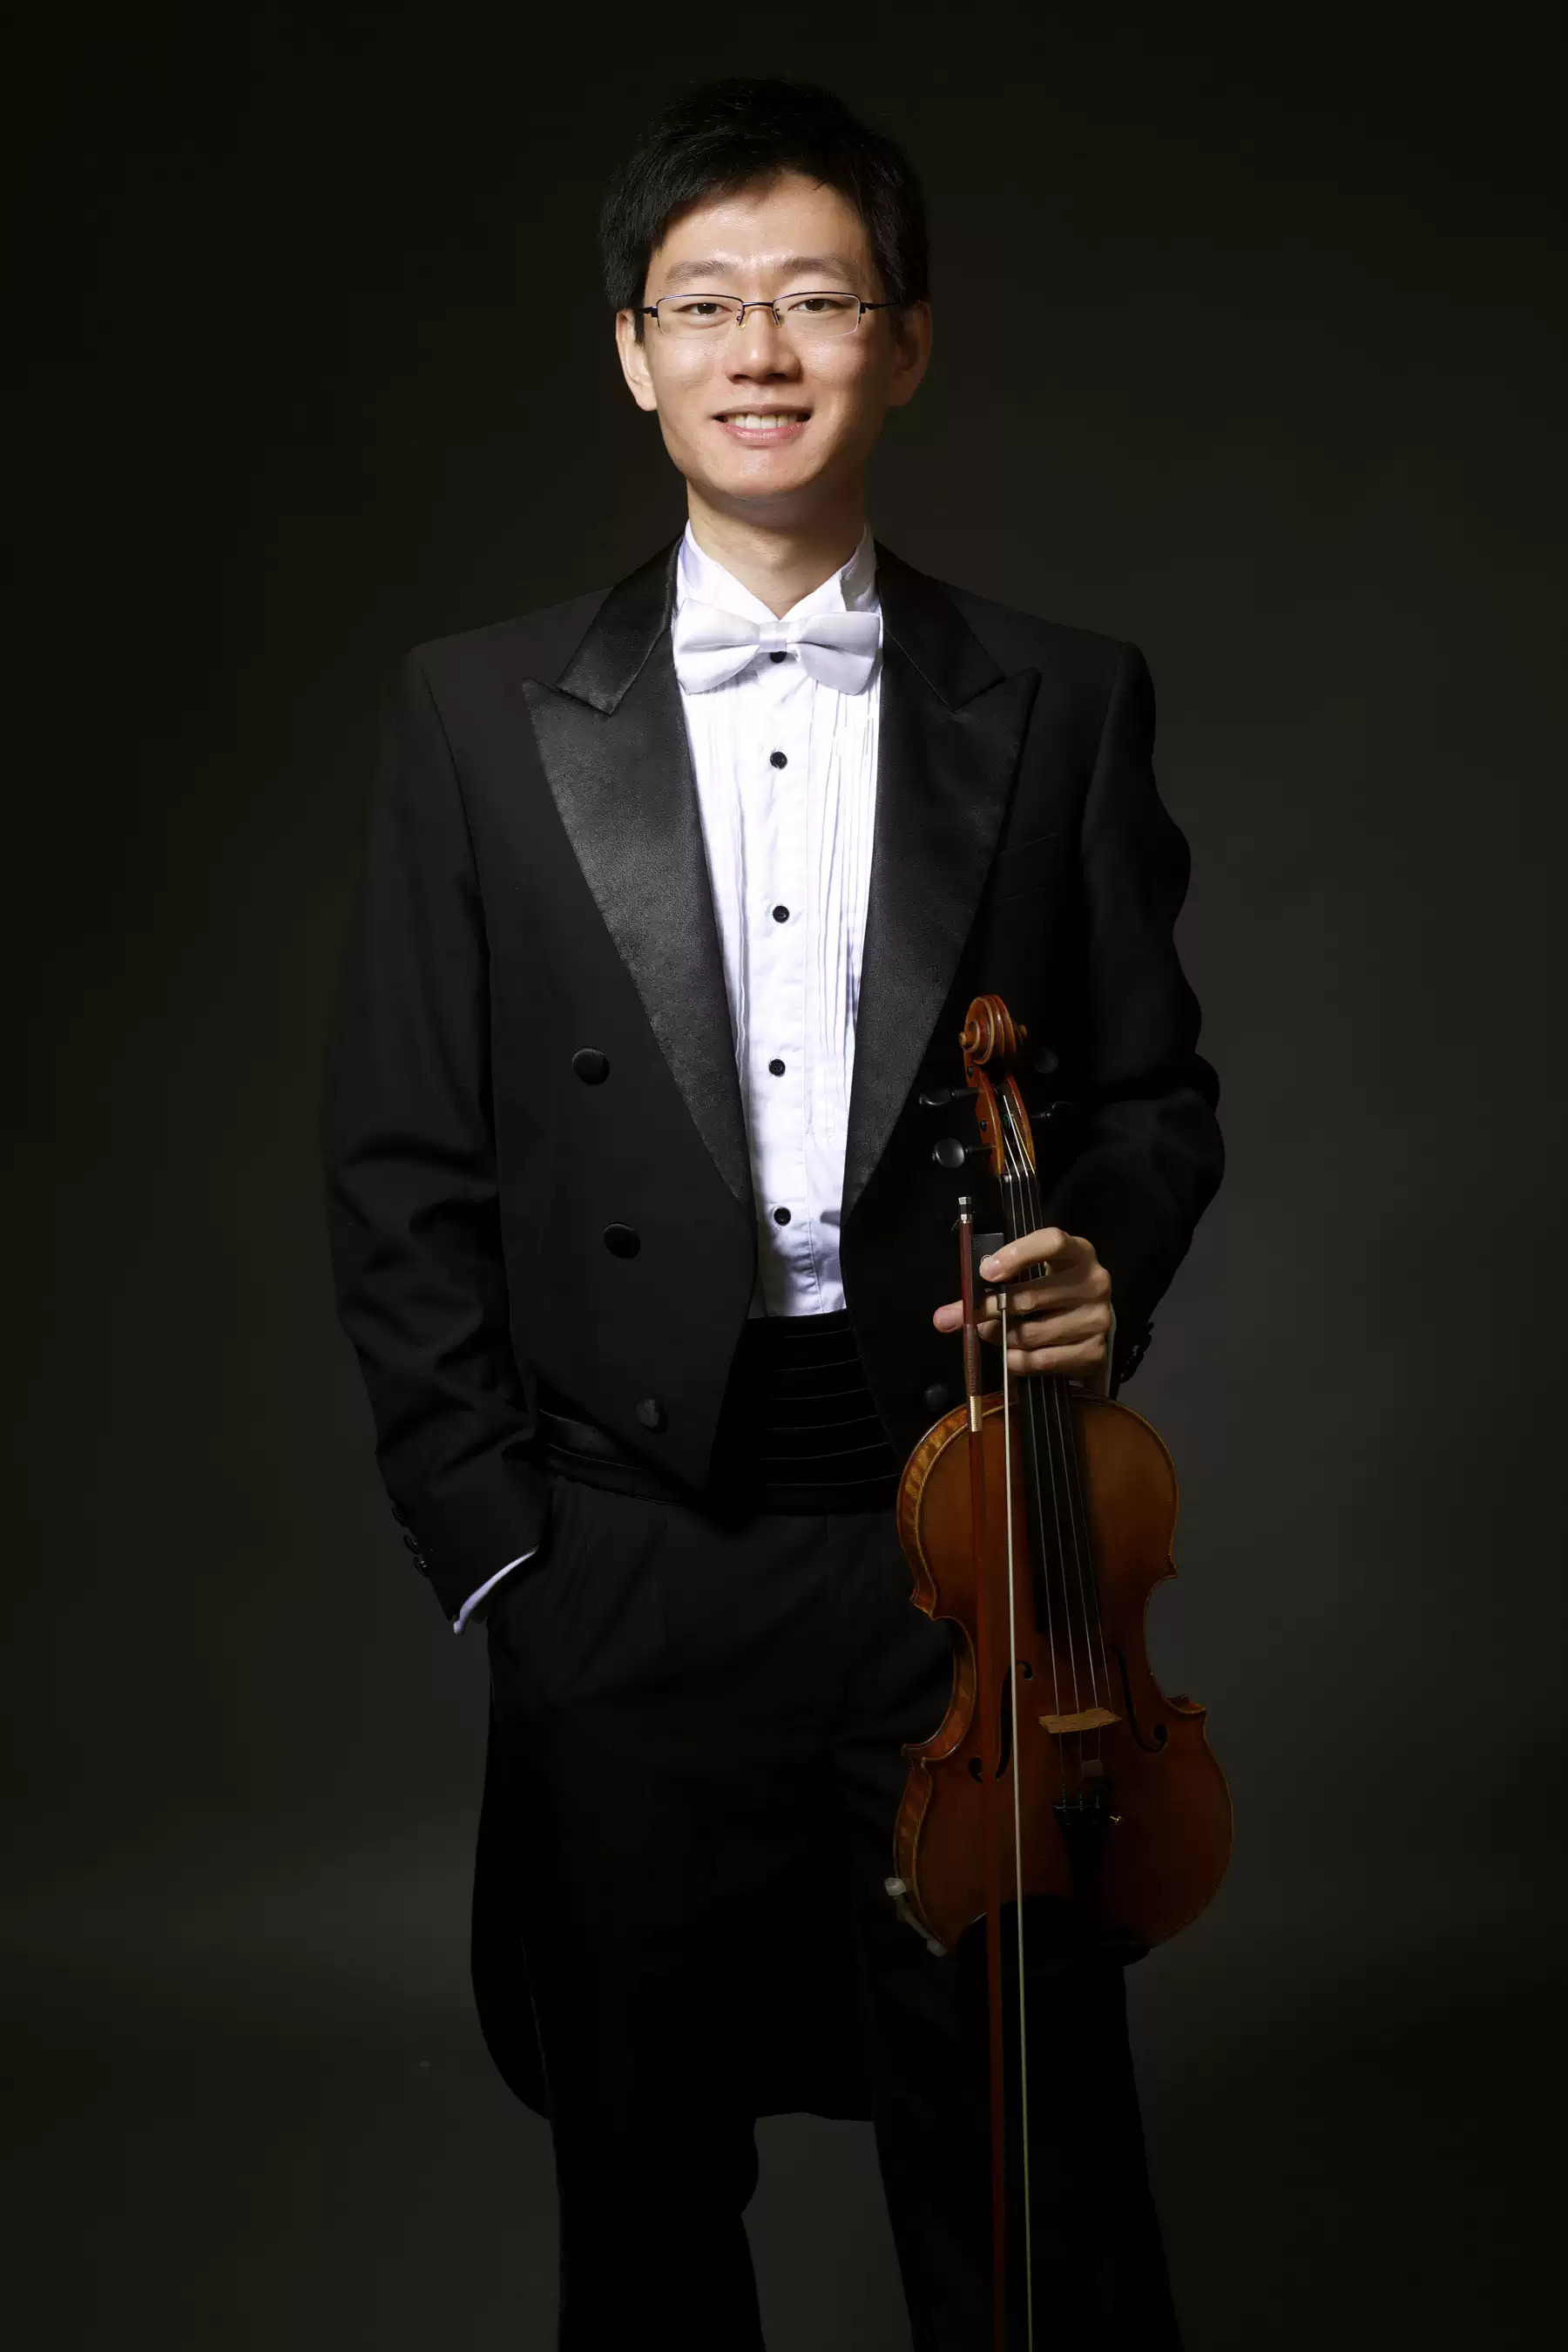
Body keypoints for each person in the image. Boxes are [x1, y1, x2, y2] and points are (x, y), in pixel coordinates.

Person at [321, 73, 1223, 2352]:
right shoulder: (475, 715)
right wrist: (504, 1559)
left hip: (970, 1536)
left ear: (902, 341)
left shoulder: (1065, 698)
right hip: (626, 1546)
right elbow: (404, 1161)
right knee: (642, 2192)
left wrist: (1106, 1255)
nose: (761, 348)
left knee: (1023, 2171)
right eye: (705, 302)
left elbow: (1153, 1095)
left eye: (815, 297)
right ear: (633, 355)